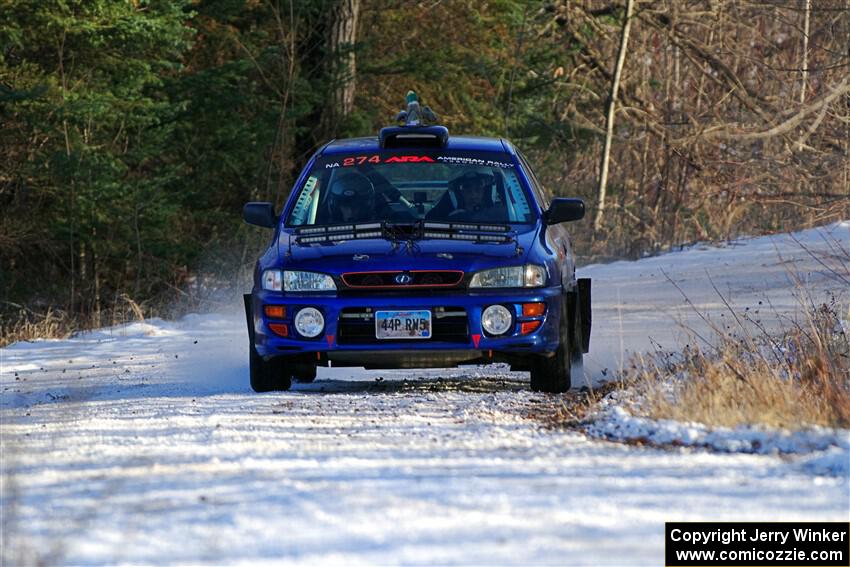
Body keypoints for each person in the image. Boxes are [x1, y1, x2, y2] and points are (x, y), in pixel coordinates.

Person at [426, 170, 507, 222]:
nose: (473, 194)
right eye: (466, 187)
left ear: (488, 191)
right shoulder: (441, 220)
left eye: (479, 187)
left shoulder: (504, 216)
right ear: (457, 194)